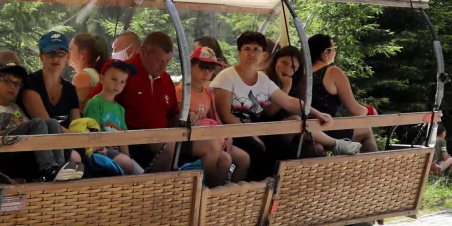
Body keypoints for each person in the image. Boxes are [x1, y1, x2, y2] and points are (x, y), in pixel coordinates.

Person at [212, 31, 335, 181]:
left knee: (284, 150)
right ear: (239, 53)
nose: (251, 53)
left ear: (264, 54)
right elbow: (225, 114)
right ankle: (254, 191)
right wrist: (251, 135)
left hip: (256, 127)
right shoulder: (227, 76)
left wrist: (317, 114)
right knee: (258, 149)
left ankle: (278, 191)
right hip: (231, 129)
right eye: (247, 49)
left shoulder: (263, 79)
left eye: (256, 49)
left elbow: (289, 101)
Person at [0, 63, 81, 181]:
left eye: (17, 84)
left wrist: (21, 128)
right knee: (38, 123)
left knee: (51, 122)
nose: (12, 86)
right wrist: (14, 130)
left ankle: (59, 167)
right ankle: (48, 168)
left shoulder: (16, 108)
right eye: (7, 81)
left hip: (18, 151)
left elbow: (29, 128)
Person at [268, 46, 361, 159]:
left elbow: (297, 105)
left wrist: (318, 114)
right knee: (296, 121)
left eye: (293, 67)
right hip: (269, 129)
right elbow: (268, 113)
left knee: (316, 147)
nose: (287, 69)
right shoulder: (266, 79)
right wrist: (286, 87)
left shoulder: (296, 83)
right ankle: (337, 144)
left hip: (295, 132)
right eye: (284, 63)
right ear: (275, 60)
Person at [115, 31, 180, 171]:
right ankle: (154, 187)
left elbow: (173, 113)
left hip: (163, 137)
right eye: (159, 61)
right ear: (143, 53)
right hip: (132, 139)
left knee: (213, 148)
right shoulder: (123, 71)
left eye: (167, 62)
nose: (163, 67)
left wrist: (189, 118)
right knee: (169, 146)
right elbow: (97, 100)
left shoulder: (166, 79)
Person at [306, 34, 376, 154]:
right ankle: (375, 170)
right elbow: (355, 110)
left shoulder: (302, 74)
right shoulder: (332, 71)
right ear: (325, 53)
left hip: (307, 128)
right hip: (326, 126)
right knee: (366, 131)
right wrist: (369, 110)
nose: (335, 51)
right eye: (333, 48)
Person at [180, 45, 238, 186]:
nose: (207, 73)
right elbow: (177, 118)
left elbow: (216, 119)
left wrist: (228, 136)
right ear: (191, 66)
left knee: (229, 159)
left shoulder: (208, 94)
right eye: (202, 67)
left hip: (207, 136)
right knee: (215, 147)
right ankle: (203, 189)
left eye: (211, 69)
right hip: (187, 139)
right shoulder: (181, 91)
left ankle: (217, 195)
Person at [79, 59, 144, 175]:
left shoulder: (120, 109)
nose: (118, 84)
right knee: (127, 163)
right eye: (114, 79)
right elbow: (95, 133)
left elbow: (123, 135)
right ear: (102, 78)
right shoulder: (95, 103)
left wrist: (126, 154)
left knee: (141, 172)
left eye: (123, 82)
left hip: (116, 151)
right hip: (100, 150)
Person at [20, 31, 82, 124]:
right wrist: (73, 135)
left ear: (68, 56)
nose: (55, 58)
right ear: (41, 56)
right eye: (50, 53)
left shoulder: (70, 89)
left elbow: (77, 124)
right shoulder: (30, 83)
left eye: (60, 53)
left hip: (68, 137)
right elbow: (47, 125)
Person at [68, 33, 107, 105]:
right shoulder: (94, 73)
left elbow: (78, 110)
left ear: (82, 54)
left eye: (70, 49)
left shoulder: (82, 76)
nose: (67, 52)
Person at [431, 122, 452, 190]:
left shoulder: (428, 141)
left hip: (426, 167)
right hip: (434, 167)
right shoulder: (442, 140)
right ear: (443, 133)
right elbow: (444, 157)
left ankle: (444, 181)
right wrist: (448, 156)